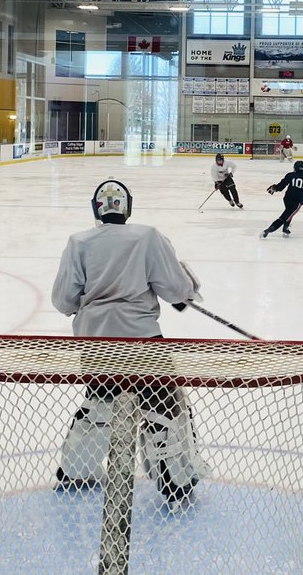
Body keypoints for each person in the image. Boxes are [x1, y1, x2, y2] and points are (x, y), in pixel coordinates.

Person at [52, 180, 205, 503]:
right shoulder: (147, 236)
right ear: (128, 207)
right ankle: (176, 483)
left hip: (95, 343)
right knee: (165, 408)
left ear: (97, 208)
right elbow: (176, 290)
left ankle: (77, 472)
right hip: (143, 341)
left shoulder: (78, 242)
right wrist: (187, 286)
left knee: (101, 404)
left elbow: (64, 301)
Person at [261, 160, 303, 239]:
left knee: (289, 212)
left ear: (295, 168)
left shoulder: (290, 175)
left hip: (287, 199)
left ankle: (285, 228)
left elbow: (281, 186)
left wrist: (274, 188)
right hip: (298, 202)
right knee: (286, 216)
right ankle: (268, 230)